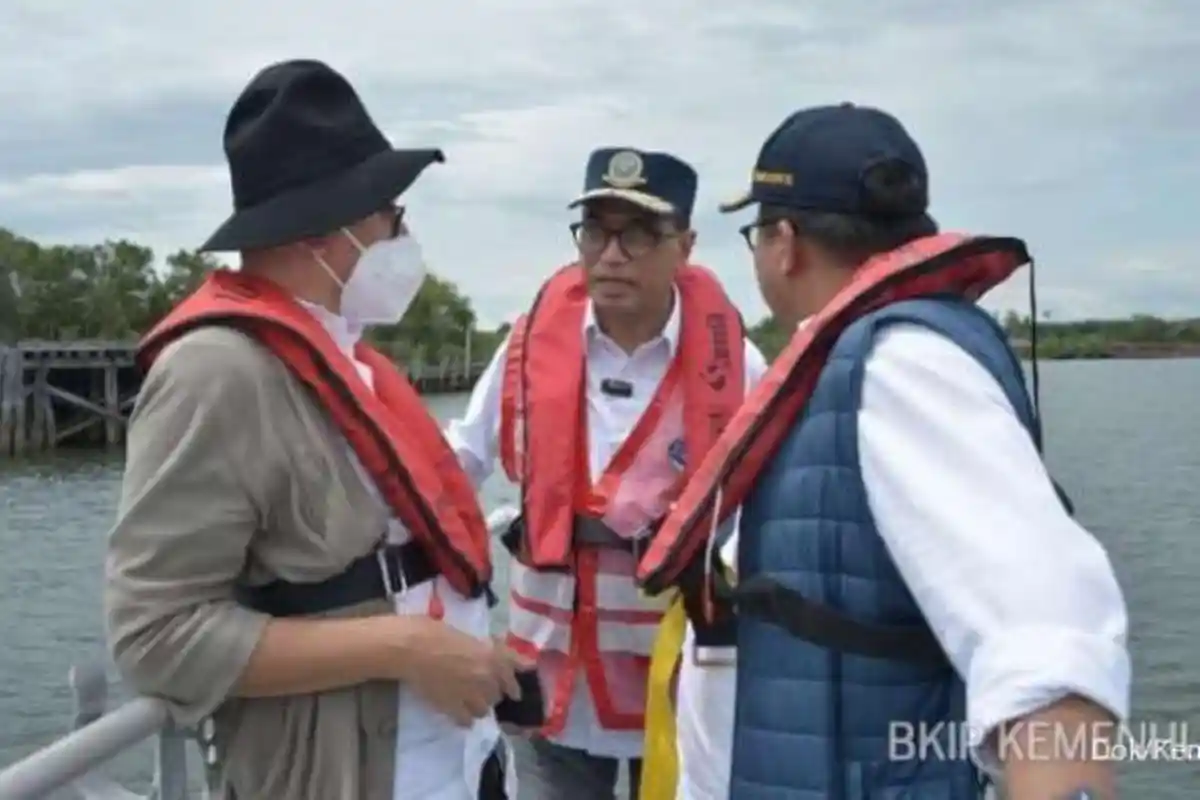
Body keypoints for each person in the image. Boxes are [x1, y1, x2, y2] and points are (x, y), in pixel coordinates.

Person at [638, 104, 1130, 799]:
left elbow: (1049, 640)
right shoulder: (850, 359)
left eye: (755, 234)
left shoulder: (903, 368)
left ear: (784, 243)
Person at [104, 59, 528, 800]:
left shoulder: (343, 357)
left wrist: (458, 651)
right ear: (325, 233)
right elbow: (156, 635)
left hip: (451, 763)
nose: (402, 234)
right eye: (390, 216)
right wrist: (407, 647)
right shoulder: (217, 373)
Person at [445, 146, 767, 799]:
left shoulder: (737, 367)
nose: (611, 254)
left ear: (686, 246)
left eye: (639, 233)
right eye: (595, 231)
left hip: (674, 681)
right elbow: (456, 466)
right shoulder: (528, 347)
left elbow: (765, 514)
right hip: (547, 675)